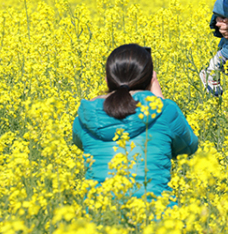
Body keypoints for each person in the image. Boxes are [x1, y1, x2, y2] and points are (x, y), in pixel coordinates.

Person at [72, 44, 198, 198]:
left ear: (107, 80)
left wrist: (94, 103)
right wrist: (159, 100)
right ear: (151, 78)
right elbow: (189, 147)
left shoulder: (86, 116)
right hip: (157, 215)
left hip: (99, 215)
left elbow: (81, 144)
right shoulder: (165, 111)